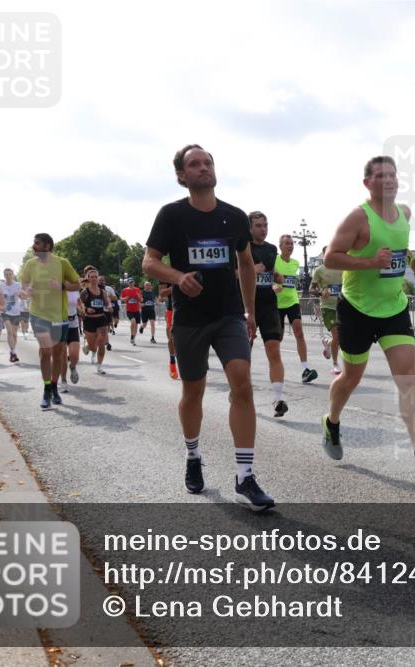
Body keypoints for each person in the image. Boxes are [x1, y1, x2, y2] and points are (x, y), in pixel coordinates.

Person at [143, 143, 273, 509]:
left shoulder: (234, 217)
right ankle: (193, 455)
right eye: (195, 164)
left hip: (228, 315)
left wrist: (249, 312)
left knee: (242, 385)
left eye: (208, 162)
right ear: (181, 175)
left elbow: (245, 263)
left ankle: (245, 476)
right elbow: (149, 263)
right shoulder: (171, 215)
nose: (204, 168)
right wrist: (178, 277)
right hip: (190, 319)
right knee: (193, 393)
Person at [320, 155, 415, 484]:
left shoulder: (405, 213)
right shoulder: (357, 217)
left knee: (408, 379)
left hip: (394, 308)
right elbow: (331, 257)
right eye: (380, 175)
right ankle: (332, 421)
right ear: (367, 183)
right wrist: (369, 263)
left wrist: (413, 263)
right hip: (357, 310)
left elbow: (398, 249)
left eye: (392, 174)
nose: (388, 179)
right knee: (351, 378)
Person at [18, 233, 81, 410]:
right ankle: (47, 389)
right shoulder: (30, 264)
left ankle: (54, 386)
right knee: (45, 351)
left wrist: (61, 286)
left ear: (47, 246)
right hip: (38, 314)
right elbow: (23, 287)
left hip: (59, 315)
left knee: (58, 353)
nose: (34, 246)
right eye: (34, 243)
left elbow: (77, 285)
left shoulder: (62, 263)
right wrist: (26, 292)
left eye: (37, 244)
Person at [248, 212, 289, 417]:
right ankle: (239, 390)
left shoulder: (272, 249)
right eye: (258, 225)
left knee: (274, 351)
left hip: (269, 306)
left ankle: (278, 398)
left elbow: (270, 273)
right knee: (243, 354)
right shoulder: (241, 247)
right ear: (249, 228)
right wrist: (250, 270)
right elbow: (229, 275)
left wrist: (277, 277)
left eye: (265, 225)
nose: (263, 229)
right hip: (247, 306)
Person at [276, 235, 317, 384]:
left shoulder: (295, 263)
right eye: (287, 243)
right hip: (277, 303)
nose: (290, 246)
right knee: (278, 338)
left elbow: (292, 283)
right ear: (280, 246)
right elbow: (268, 277)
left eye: (292, 243)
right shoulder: (274, 260)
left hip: (292, 301)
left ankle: (305, 369)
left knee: (299, 333)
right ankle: (275, 365)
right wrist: (273, 286)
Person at [310, 245, 343, 375]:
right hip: (328, 307)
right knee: (337, 336)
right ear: (324, 256)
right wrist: (320, 293)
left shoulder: (343, 269)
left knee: (342, 337)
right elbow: (311, 289)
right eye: (328, 253)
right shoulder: (319, 270)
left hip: (342, 306)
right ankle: (335, 364)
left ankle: (328, 343)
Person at [79, 267, 111, 375]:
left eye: (95, 277)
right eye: (91, 277)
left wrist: (109, 307)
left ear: (98, 278)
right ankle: (89, 347)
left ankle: (99, 366)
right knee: (93, 347)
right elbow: (80, 304)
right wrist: (86, 309)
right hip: (89, 320)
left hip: (101, 318)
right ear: (88, 278)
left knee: (101, 343)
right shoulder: (85, 292)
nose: (94, 279)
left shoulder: (103, 292)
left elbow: (107, 303)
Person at [59, 286, 82, 393]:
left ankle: (72, 367)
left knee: (75, 355)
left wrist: (82, 309)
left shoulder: (74, 290)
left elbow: (79, 302)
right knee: (62, 355)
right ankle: (63, 381)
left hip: (73, 325)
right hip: (59, 325)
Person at [0, 267, 24, 362]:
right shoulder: (0, 286)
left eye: (10, 274)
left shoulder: (18, 285)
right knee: (9, 332)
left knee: (14, 334)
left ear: (12, 275)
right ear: (4, 276)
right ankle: (13, 353)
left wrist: (19, 294)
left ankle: (12, 350)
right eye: (6, 274)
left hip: (16, 312)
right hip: (5, 312)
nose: (8, 276)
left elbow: (22, 296)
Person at [159, 282, 178, 379]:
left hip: (192, 309)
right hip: (173, 309)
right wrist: (177, 286)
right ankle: (172, 361)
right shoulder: (168, 276)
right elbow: (161, 294)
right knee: (172, 336)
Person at [121, 278, 144, 346]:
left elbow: (141, 299)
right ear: (128, 283)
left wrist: (138, 297)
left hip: (136, 310)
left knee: (136, 325)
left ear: (134, 283)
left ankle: (133, 339)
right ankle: (131, 336)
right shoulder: (124, 290)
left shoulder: (137, 289)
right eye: (130, 282)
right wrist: (125, 298)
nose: (131, 283)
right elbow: (121, 298)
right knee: (133, 322)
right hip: (129, 310)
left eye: (132, 282)